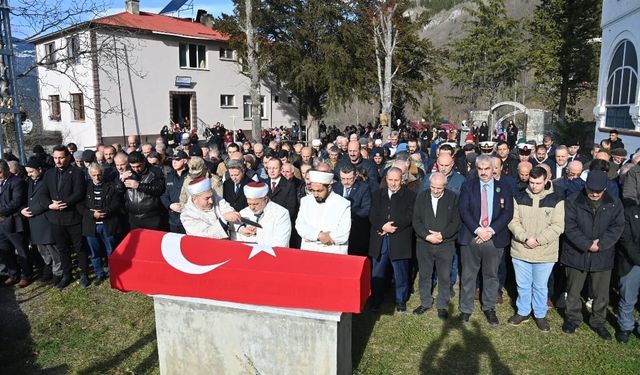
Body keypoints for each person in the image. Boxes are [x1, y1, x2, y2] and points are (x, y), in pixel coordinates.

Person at [561, 170, 624, 340]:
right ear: (585, 186)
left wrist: (601, 244)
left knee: (601, 293)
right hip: (576, 253)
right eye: (591, 190)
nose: (595, 194)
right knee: (573, 291)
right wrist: (587, 244)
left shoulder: (614, 203)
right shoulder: (573, 200)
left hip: (602, 255)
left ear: (605, 189)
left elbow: (617, 227)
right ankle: (573, 319)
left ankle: (598, 322)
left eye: (599, 191)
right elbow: (569, 226)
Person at [458, 155, 514, 326]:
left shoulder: (504, 187)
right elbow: (464, 210)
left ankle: (489, 307)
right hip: (472, 237)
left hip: (494, 238)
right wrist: (478, 230)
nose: (483, 172)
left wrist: (489, 231)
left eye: (487, 169)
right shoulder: (468, 186)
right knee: (468, 275)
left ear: (493, 169)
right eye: (480, 169)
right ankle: (466, 309)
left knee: (491, 275)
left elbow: (507, 213)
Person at [507, 167, 564, 331]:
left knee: (540, 286)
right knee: (523, 285)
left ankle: (540, 314)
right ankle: (523, 311)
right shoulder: (519, 196)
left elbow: (558, 226)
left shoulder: (557, 198)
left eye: (538, 183)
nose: (534, 186)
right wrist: (524, 237)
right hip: (521, 249)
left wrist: (538, 240)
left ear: (546, 180)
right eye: (531, 182)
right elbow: (513, 221)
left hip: (545, 252)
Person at [412, 172, 460, 319]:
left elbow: (456, 222)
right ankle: (425, 302)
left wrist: (442, 235)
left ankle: (442, 305)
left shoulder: (453, 197)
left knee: (444, 276)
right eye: (433, 187)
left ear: (444, 186)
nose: (435, 190)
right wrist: (427, 236)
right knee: (425, 275)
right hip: (424, 243)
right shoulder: (422, 196)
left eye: (439, 188)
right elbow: (416, 220)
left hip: (445, 244)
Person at [369, 167, 416, 312]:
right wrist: (382, 226)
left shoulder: (410, 196)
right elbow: (372, 214)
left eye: (396, 180)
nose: (393, 183)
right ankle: (376, 299)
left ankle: (400, 300)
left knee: (400, 273)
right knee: (377, 272)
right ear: (386, 179)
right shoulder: (377, 194)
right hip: (380, 239)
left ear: (402, 179)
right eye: (390, 180)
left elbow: (410, 216)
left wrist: (392, 227)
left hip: (399, 239)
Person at [43, 145, 89, 289]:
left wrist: (64, 203)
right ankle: (67, 275)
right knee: (62, 249)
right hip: (55, 218)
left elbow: (79, 192)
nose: (58, 161)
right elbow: (43, 193)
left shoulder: (76, 172)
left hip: (73, 217)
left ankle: (84, 274)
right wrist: (50, 205)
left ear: (68, 157)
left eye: (61, 157)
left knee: (79, 247)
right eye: (55, 158)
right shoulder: (49, 174)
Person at [79, 163, 122, 285]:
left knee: (111, 251)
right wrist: (91, 214)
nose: (97, 177)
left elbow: (116, 203)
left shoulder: (111, 186)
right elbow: (80, 206)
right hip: (91, 225)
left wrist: (105, 212)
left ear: (102, 174)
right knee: (94, 252)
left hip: (107, 224)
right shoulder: (85, 188)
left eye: (99, 174)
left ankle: (114, 273)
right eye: (94, 175)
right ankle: (99, 274)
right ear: (89, 175)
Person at [21, 158, 62, 285]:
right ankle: (48, 270)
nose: (29, 174)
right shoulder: (30, 181)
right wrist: (23, 210)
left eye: (31, 171)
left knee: (52, 249)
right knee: (42, 250)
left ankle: (58, 272)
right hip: (35, 222)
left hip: (45, 219)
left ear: (39, 169)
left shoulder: (47, 181)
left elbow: (47, 201)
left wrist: (33, 209)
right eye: (27, 172)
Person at [295, 169, 351, 254]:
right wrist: (319, 235)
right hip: (309, 252)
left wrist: (314, 236)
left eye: (319, 191)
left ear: (329, 187)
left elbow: (343, 234)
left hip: (333, 253)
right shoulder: (305, 201)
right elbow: (300, 226)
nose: (315, 194)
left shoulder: (343, 204)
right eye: (313, 190)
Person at [118, 151, 166, 230]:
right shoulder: (128, 172)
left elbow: (159, 189)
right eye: (133, 167)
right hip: (133, 217)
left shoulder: (155, 172)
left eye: (138, 166)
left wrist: (139, 186)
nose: (136, 169)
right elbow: (118, 192)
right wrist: (121, 181)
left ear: (144, 162)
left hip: (151, 216)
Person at [233, 182, 291, 247]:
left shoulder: (281, 213)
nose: (252, 208)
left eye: (255, 204)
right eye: (249, 204)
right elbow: (238, 239)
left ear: (265, 199)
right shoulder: (243, 212)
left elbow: (281, 244)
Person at [0, 160, 30, 287]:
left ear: (7, 169)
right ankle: (13, 274)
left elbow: (16, 202)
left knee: (21, 249)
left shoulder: (17, 182)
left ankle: (26, 275)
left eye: (0, 172)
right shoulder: (1, 182)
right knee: (6, 250)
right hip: (1, 224)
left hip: (13, 222)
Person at [333, 164, 371, 256]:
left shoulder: (363, 188)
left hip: (356, 230)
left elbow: (366, 209)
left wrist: (347, 215)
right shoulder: (335, 187)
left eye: (349, 179)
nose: (346, 182)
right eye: (343, 178)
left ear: (355, 176)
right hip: (337, 231)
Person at [616, 201, 640, 343]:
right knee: (628, 297)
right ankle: (625, 327)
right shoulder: (629, 212)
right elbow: (626, 240)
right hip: (632, 262)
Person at [160, 150, 189, 234]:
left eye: (177, 160)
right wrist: (170, 205)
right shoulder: (169, 176)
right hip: (173, 219)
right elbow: (164, 195)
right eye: (172, 160)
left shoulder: (191, 175)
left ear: (185, 160)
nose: (174, 162)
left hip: (188, 219)